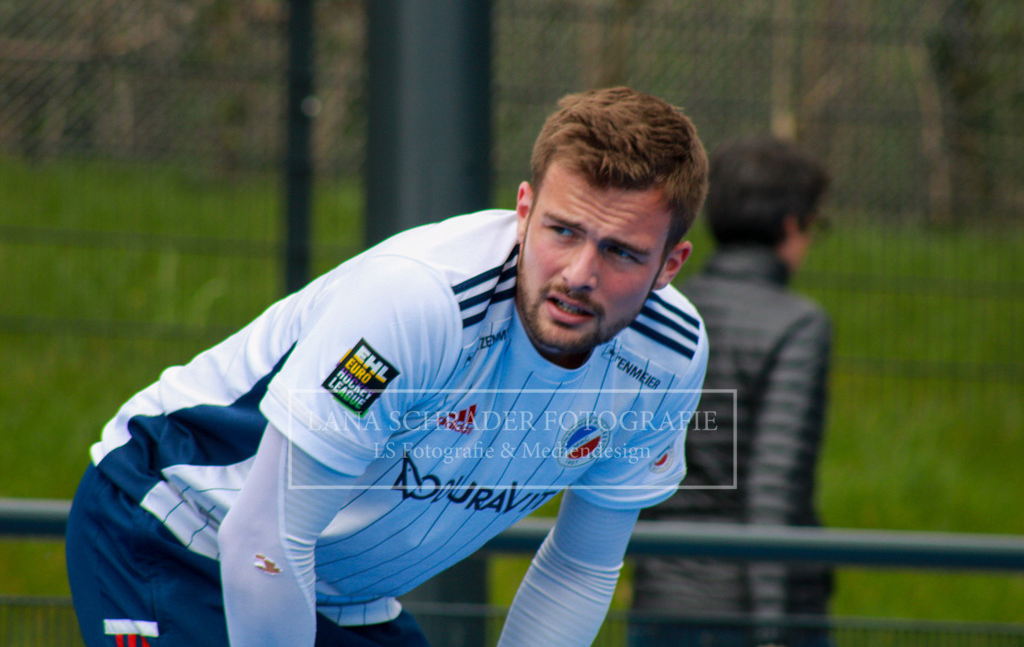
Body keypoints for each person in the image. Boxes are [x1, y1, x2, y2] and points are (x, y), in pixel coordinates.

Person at [66, 86, 711, 647]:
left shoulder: (671, 359)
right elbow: (263, 539)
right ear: (523, 210)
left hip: (340, 594)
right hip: (177, 529)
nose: (579, 275)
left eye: (622, 252)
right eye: (562, 231)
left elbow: (580, 567)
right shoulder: (418, 301)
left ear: (670, 264)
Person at [630, 135, 834, 646]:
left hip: (660, 601)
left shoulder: (657, 313)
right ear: (791, 225)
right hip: (747, 610)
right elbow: (775, 486)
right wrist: (772, 627)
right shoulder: (798, 325)